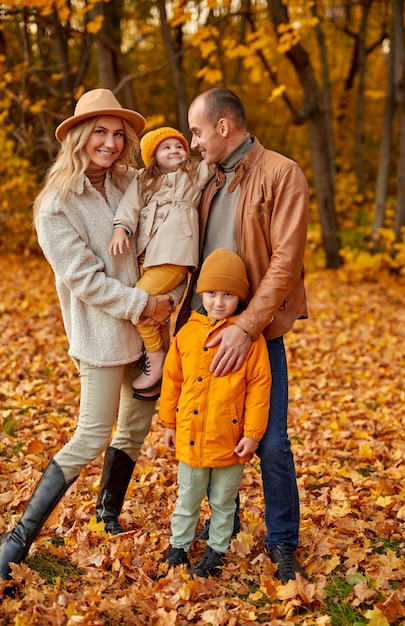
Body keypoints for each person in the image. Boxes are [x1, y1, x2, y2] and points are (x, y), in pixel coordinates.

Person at [0, 89, 178, 582]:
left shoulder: (131, 182)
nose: (111, 142)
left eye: (119, 134)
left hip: (148, 336)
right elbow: (85, 279)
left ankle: (107, 514)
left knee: (134, 428)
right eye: (100, 131)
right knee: (92, 433)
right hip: (102, 335)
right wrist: (146, 303)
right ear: (79, 136)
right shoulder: (55, 205)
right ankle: (16, 539)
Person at [175, 88, 309, 584]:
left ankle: (283, 543)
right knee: (209, 438)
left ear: (223, 127)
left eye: (197, 131)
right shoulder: (206, 180)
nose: (192, 142)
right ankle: (215, 538)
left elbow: (286, 263)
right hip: (201, 332)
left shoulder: (282, 174)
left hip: (256, 333)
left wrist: (246, 328)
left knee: (269, 442)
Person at [160, 249, 271, 578]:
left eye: (228, 295)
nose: (218, 302)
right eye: (211, 294)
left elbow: (259, 386)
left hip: (230, 439)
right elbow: (173, 381)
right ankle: (178, 546)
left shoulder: (250, 339)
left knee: (224, 501)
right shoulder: (186, 334)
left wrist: (252, 434)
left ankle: (217, 549)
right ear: (200, 294)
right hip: (192, 439)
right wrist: (168, 424)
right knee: (188, 496)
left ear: (240, 297)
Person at [108, 127, 214, 400]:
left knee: (140, 301)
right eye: (166, 148)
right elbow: (129, 207)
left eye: (179, 146)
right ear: (153, 156)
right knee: (155, 315)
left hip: (176, 254)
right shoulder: (144, 179)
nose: (175, 151)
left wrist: (208, 138)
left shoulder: (193, 174)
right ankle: (167, 373)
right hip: (148, 257)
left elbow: (214, 159)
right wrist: (122, 228)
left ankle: (155, 358)